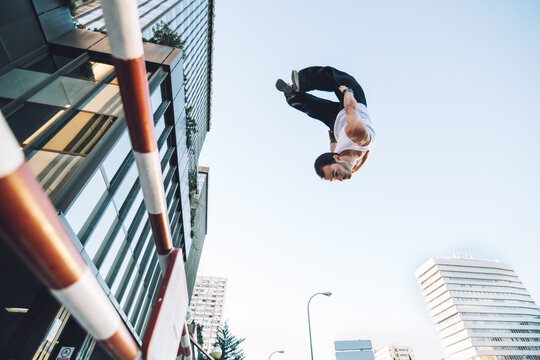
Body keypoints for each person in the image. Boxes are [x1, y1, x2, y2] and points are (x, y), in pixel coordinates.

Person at [276, 66, 375, 181]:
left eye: (335, 176)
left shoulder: (357, 135)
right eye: (335, 174)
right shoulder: (359, 140)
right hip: (351, 110)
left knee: (318, 99)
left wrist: (333, 140)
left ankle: (296, 89)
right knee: (330, 83)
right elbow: (350, 109)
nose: (340, 179)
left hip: (343, 116)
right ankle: (294, 92)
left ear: (337, 158)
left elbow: (350, 108)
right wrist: (348, 91)